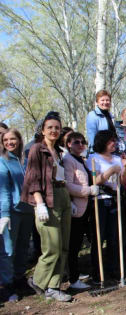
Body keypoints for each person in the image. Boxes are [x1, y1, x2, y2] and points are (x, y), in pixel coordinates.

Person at [21, 114, 72, 302]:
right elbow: (33, 178)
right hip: (47, 199)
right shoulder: (37, 149)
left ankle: (53, 286)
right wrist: (39, 203)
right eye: (50, 127)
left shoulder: (59, 151)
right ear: (42, 130)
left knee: (63, 246)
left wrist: (69, 200)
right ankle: (37, 280)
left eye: (57, 128)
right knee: (52, 247)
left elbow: (60, 176)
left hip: (62, 195)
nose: (54, 131)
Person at [86, 130, 126, 282]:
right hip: (100, 201)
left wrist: (124, 167)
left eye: (115, 141)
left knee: (114, 237)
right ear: (103, 142)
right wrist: (111, 170)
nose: (114, 144)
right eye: (111, 141)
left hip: (116, 200)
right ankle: (98, 273)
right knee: (99, 237)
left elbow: (123, 182)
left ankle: (114, 270)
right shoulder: (93, 158)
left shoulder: (117, 158)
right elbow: (94, 180)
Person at [63, 132, 98, 289]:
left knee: (79, 243)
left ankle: (76, 273)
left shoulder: (82, 160)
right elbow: (68, 185)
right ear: (69, 144)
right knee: (74, 245)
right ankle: (73, 279)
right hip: (76, 208)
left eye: (82, 142)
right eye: (76, 142)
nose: (80, 144)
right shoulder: (68, 160)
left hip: (86, 208)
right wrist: (88, 190)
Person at [0, 129, 27, 302]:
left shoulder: (24, 160)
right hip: (11, 212)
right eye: (6, 140)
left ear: (19, 140)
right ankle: (7, 286)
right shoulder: (3, 161)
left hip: (28, 210)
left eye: (13, 139)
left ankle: (19, 278)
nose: (10, 142)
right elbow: (3, 190)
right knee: (8, 251)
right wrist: (4, 214)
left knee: (23, 248)